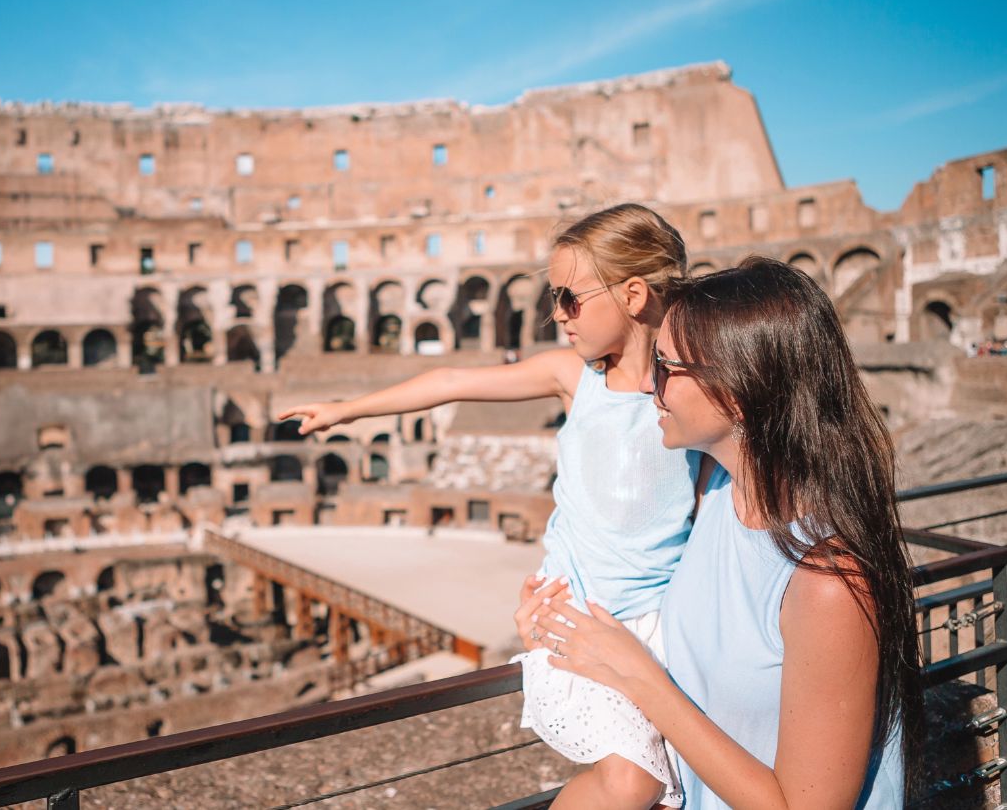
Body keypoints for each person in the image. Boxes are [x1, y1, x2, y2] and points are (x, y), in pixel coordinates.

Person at [280, 204, 700, 808]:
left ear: (634, 294)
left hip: (666, 624)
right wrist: (347, 409)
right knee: (635, 781)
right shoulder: (573, 378)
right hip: (577, 616)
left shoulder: (694, 391)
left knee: (673, 788)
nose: (557, 314)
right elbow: (451, 380)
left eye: (569, 298)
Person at [533, 257, 923, 809]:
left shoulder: (828, 582)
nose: (647, 383)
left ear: (736, 390)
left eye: (665, 366)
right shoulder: (716, 493)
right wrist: (551, 615)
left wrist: (641, 678)